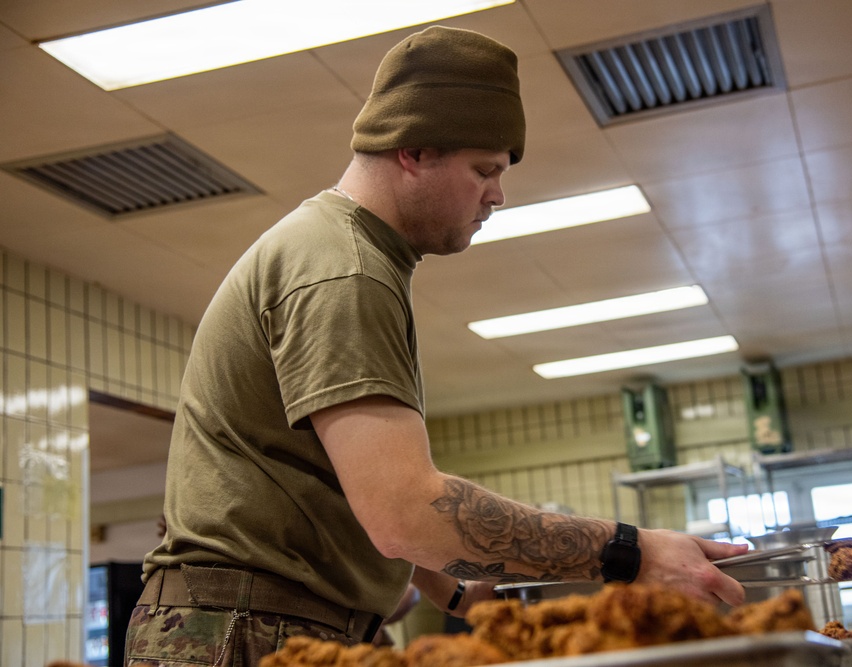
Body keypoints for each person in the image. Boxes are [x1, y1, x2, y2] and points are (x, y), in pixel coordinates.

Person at [124, 24, 747, 667]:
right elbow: (403, 510)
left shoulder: (347, 254)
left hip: (268, 621)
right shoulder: (344, 269)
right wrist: (629, 550)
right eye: (484, 170)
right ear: (413, 150)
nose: (497, 195)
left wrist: (457, 591)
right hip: (245, 630)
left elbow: (349, 491)